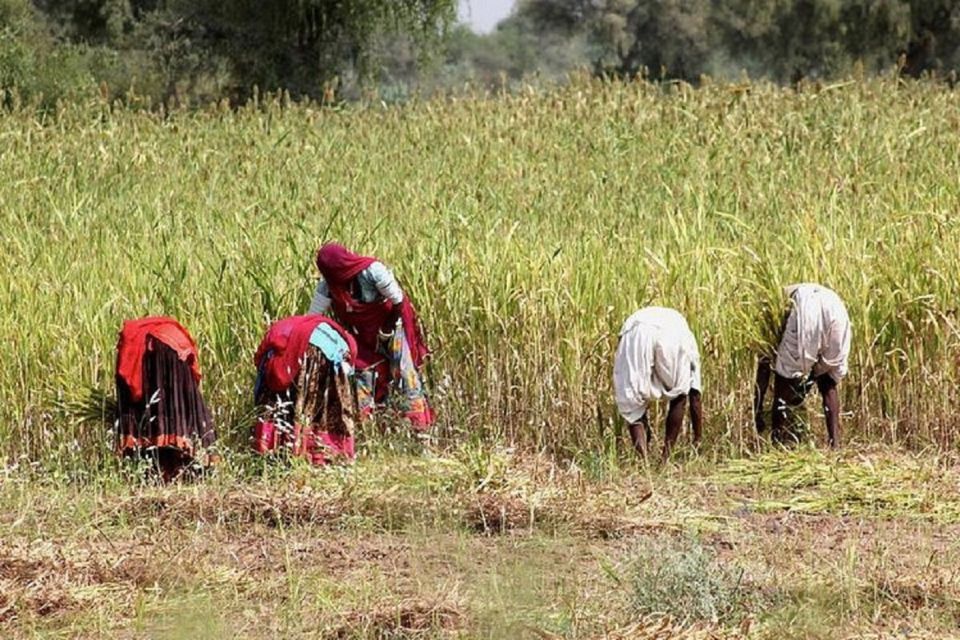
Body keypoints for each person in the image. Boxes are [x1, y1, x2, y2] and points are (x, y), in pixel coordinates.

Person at [309, 242, 434, 429]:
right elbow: (312, 318)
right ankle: (369, 428)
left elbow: (398, 301)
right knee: (363, 372)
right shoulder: (328, 285)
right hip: (362, 333)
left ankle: (419, 430)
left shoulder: (371, 271)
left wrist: (386, 331)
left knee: (404, 371)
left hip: (392, 325)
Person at [115, 317, 217, 481]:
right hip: (172, 348)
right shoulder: (151, 338)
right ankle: (179, 468)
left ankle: (163, 470)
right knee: (171, 409)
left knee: (158, 409)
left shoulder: (132, 342)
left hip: (164, 349)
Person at [753, 283, 852, 448]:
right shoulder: (785, 298)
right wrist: (808, 381)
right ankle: (835, 445)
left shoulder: (772, 307)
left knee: (782, 381)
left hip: (807, 306)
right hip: (837, 307)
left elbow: (765, 367)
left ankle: (777, 442)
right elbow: (819, 370)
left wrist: (758, 408)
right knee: (828, 381)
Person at [253, 314, 358, 465]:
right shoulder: (344, 341)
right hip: (324, 352)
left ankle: (277, 448)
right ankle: (321, 453)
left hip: (309, 350)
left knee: (279, 400)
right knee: (318, 405)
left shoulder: (275, 335)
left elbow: (261, 365)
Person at [613, 307, 703, 463]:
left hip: (636, 332)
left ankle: (644, 462)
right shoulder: (686, 335)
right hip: (673, 334)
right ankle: (665, 460)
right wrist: (698, 438)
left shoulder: (638, 321)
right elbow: (694, 395)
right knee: (679, 395)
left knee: (632, 400)